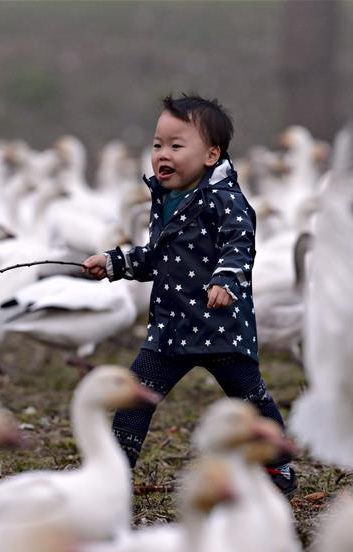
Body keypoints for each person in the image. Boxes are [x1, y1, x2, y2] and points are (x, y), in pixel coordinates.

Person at [82, 94, 296, 495]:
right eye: (158, 144)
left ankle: (276, 466)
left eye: (176, 146)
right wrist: (114, 264)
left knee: (251, 400)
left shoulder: (227, 201)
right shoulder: (165, 200)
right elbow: (156, 257)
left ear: (212, 155)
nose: (163, 154)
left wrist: (225, 281)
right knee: (134, 400)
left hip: (221, 330)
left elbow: (240, 245)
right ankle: (111, 477)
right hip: (170, 330)